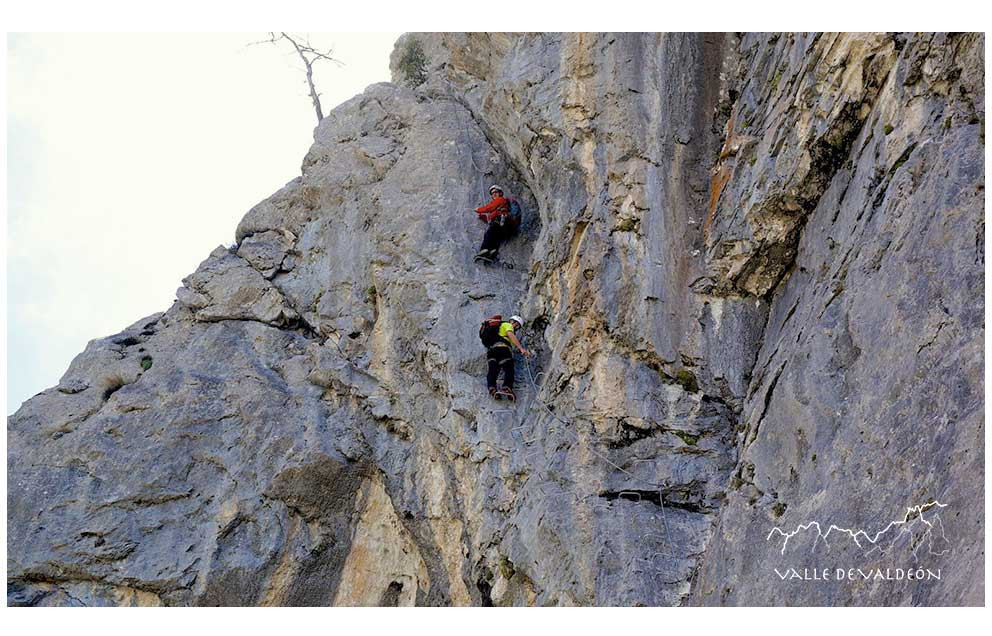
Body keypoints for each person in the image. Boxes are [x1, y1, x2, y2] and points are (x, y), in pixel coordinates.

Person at [484, 315, 531, 400]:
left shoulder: (497, 329)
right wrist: (521, 348)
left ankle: (492, 388)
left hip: (491, 351)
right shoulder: (507, 325)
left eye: (518, 327)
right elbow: (510, 335)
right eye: (516, 325)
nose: (516, 328)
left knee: (493, 370)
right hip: (503, 350)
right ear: (512, 321)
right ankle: (507, 387)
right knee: (509, 369)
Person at [474, 184, 512, 261]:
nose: (494, 194)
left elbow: (490, 207)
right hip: (502, 223)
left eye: (496, 192)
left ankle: (484, 249)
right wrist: (483, 217)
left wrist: (479, 209)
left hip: (501, 220)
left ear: (500, 193)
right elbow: (490, 217)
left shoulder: (501, 200)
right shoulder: (499, 208)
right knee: (495, 236)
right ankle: (492, 251)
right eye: (492, 193)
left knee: (489, 233)